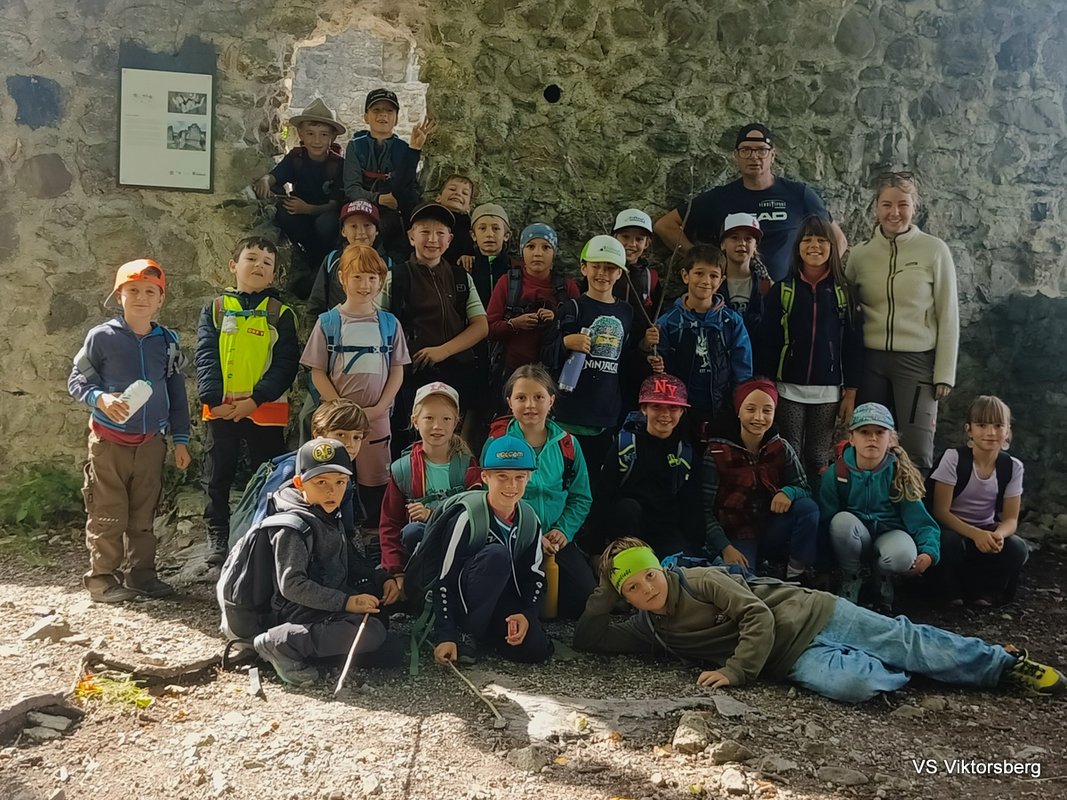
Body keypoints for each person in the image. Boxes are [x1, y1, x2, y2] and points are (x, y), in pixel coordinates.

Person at [574, 538, 1064, 702]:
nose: (647, 589)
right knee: (856, 686)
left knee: (903, 641)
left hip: (813, 612)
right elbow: (590, 639)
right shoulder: (650, 628)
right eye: (632, 588)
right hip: (790, 659)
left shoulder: (700, 579)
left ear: (661, 569)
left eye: (649, 575)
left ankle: (1000, 664)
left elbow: (757, 615)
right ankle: (931, 667)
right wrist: (604, 590)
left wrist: (736, 671)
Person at [68, 259, 190, 602]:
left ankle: (141, 575)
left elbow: (177, 392)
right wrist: (100, 398)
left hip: (151, 443)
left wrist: (180, 439)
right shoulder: (101, 338)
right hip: (109, 443)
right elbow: (76, 380)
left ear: (161, 299)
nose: (141, 297)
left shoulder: (168, 342)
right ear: (118, 296)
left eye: (150, 291)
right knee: (107, 511)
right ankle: (102, 578)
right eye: (133, 290)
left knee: (144, 512)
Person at [252, 438, 402, 686]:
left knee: (388, 640)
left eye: (340, 482)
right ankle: (282, 642)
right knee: (375, 634)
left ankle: (320, 649)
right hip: (297, 610)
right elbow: (292, 585)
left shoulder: (327, 511)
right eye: (321, 482)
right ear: (299, 483)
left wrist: (381, 578)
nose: (332, 491)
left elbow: (349, 559)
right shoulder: (293, 526)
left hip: (327, 601)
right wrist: (346, 602)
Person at [196, 236, 300, 566]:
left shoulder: (281, 314)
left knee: (267, 476)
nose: (258, 266)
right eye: (251, 258)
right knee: (217, 475)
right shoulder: (215, 309)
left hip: (265, 411)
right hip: (221, 410)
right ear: (233, 265)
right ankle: (217, 533)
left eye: (267, 263)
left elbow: (285, 364)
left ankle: (263, 531)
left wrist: (255, 400)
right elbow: (205, 355)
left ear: (274, 274)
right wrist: (213, 398)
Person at [846, 171, 959, 471]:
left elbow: (948, 313)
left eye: (903, 204)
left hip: (917, 361)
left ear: (914, 207)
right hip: (870, 362)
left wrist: (944, 373)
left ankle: (915, 502)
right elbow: (845, 312)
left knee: (917, 450)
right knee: (869, 448)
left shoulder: (934, 250)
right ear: (876, 207)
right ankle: (871, 500)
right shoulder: (860, 255)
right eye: (886, 204)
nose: (894, 212)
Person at [653, 123, 846, 282]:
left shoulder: (798, 194)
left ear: (773, 155)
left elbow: (839, 240)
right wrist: (701, 260)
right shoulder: (720, 198)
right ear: (736, 156)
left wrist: (814, 278)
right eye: (746, 150)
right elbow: (665, 226)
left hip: (787, 298)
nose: (754, 156)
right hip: (734, 302)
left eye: (761, 150)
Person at [300, 244, 409, 526]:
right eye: (357, 277)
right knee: (333, 475)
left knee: (376, 480)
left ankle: (373, 533)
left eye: (372, 278)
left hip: (377, 418)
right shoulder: (328, 322)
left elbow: (397, 370)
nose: (365, 285)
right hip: (336, 422)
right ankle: (336, 530)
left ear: (381, 281)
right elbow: (317, 372)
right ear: (342, 278)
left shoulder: (389, 324)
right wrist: (341, 409)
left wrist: (380, 408)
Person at [428, 435, 554, 665]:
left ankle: (489, 635)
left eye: (519, 477)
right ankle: (468, 632)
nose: (511, 485)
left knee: (535, 649)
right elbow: (444, 580)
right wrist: (446, 634)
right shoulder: (467, 518)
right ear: (485, 477)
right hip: (466, 605)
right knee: (497, 556)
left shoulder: (529, 519)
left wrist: (527, 615)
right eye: (502, 476)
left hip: (503, 601)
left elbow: (536, 577)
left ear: (529, 478)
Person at [758, 215, 863, 481]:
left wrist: (851, 392)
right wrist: (766, 386)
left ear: (832, 247)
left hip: (828, 392)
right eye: (807, 240)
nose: (814, 246)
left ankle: (819, 504)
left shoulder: (844, 292)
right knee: (788, 453)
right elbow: (767, 342)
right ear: (797, 247)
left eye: (821, 240)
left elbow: (853, 345)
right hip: (787, 389)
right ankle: (791, 502)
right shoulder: (783, 290)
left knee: (818, 457)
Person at [545, 235, 657, 476]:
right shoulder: (572, 308)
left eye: (610, 268)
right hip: (568, 413)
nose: (602, 274)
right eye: (596, 266)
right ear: (583, 268)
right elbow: (545, 354)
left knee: (596, 480)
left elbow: (625, 361)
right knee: (563, 478)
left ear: (620, 273)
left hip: (606, 415)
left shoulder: (626, 312)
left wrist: (645, 349)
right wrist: (565, 342)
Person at [490, 365, 596, 618]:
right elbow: (491, 499)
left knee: (585, 597)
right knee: (513, 599)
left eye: (538, 397)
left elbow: (581, 497)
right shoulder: (498, 444)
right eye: (521, 398)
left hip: (556, 537)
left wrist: (564, 530)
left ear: (551, 400)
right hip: (514, 537)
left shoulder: (568, 444)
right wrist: (529, 534)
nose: (530, 405)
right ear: (510, 402)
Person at [382, 201, 489, 453]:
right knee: (414, 442)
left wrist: (443, 351)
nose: (433, 239)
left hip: (458, 373)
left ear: (449, 240)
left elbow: (481, 325)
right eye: (425, 232)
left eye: (440, 233)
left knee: (453, 441)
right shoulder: (396, 277)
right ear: (411, 237)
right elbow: (379, 325)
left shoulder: (461, 278)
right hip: (412, 375)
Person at [821, 403, 939, 611]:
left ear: (890, 438)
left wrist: (929, 551)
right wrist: (822, 566)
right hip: (855, 537)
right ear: (852, 438)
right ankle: (851, 576)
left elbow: (921, 520)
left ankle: (882, 576)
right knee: (840, 522)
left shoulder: (899, 473)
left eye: (879, 432)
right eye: (864, 432)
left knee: (903, 555)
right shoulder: (837, 473)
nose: (872, 438)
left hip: (889, 534)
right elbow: (825, 520)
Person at [703, 380, 819, 580]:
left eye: (767, 410)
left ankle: (795, 572)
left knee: (808, 508)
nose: (759, 417)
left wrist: (788, 492)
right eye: (750, 409)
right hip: (737, 534)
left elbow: (804, 487)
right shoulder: (716, 452)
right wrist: (725, 547)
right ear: (739, 411)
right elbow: (704, 510)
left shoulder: (781, 447)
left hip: (773, 527)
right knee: (741, 579)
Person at [379, 382, 481, 589]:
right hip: (420, 549)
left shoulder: (467, 465)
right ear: (415, 421)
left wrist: (432, 516)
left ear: (456, 423)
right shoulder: (403, 470)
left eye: (446, 419)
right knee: (413, 531)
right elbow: (390, 524)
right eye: (429, 418)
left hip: (460, 544)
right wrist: (395, 571)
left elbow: (478, 513)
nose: (437, 426)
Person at [929, 395, 1028, 607]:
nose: (990, 432)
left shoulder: (1013, 467)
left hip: (987, 529)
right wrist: (975, 534)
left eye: (998, 426)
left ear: (1008, 431)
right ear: (969, 429)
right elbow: (940, 512)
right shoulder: (953, 459)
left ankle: (984, 590)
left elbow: (1011, 519)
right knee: (948, 542)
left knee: (1017, 548)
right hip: (953, 530)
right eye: (982, 425)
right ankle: (947, 588)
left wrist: (998, 535)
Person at [231, 399, 369, 545]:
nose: (350, 444)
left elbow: (346, 530)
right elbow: (261, 522)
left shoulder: (342, 471)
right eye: (340, 435)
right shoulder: (291, 469)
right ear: (318, 435)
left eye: (357, 437)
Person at [656, 245, 752, 445]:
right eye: (699, 273)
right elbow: (660, 369)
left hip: (721, 407)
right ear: (685, 276)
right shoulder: (668, 322)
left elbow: (742, 368)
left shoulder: (731, 321)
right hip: (679, 408)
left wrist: (739, 404)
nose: (706, 281)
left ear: (721, 281)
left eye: (713, 275)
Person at [595, 374, 698, 559]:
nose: (665, 414)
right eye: (656, 406)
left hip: (666, 529)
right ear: (644, 409)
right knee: (628, 508)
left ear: (682, 411)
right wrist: (595, 550)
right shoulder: (626, 444)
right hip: (628, 528)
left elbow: (691, 503)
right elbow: (603, 495)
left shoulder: (685, 451)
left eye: (673, 408)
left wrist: (694, 546)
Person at [252, 98, 346, 287]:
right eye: (310, 134)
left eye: (323, 135)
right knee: (284, 214)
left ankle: (321, 262)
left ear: (332, 137)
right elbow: (276, 176)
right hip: (301, 216)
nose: (316, 141)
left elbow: (335, 205)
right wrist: (265, 180)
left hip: (324, 216)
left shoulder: (338, 165)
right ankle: (306, 257)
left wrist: (309, 209)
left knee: (326, 223)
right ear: (301, 134)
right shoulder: (296, 158)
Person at [485, 223, 579, 403]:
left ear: (554, 252)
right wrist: (515, 323)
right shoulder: (508, 283)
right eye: (531, 246)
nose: (538, 253)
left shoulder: (568, 287)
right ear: (522, 251)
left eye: (546, 247)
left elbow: (579, 329)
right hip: (512, 373)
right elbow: (488, 329)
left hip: (554, 374)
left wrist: (556, 319)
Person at [342, 88, 434, 253]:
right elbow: (351, 188)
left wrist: (414, 149)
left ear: (396, 118)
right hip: (362, 206)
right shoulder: (355, 146)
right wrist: (378, 198)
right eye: (376, 110)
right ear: (366, 116)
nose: (383, 115)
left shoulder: (404, 148)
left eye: (389, 111)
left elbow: (407, 185)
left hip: (394, 209)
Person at [307, 199, 403, 319]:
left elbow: (395, 309)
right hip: (337, 328)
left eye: (367, 225)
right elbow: (316, 304)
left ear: (377, 230)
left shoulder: (388, 264)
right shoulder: (332, 260)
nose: (361, 232)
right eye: (353, 226)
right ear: (343, 231)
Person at [719, 212, 772, 344]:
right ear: (723, 244)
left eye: (748, 239)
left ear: (755, 246)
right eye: (734, 238)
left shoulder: (767, 285)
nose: (742, 243)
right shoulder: (712, 284)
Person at [468, 203, 519, 305]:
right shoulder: (466, 267)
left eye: (496, 228)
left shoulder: (517, 268)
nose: (489, 234)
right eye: (482, 228)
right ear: (473, 235)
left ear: (506, 236)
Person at [436, 174, 476, 268]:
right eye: (452, 189)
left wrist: (468, 256)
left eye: (464, 193)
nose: (458, 194)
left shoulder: (469, 226)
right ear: (438, 198)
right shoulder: (429, 217)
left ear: (469, 206)